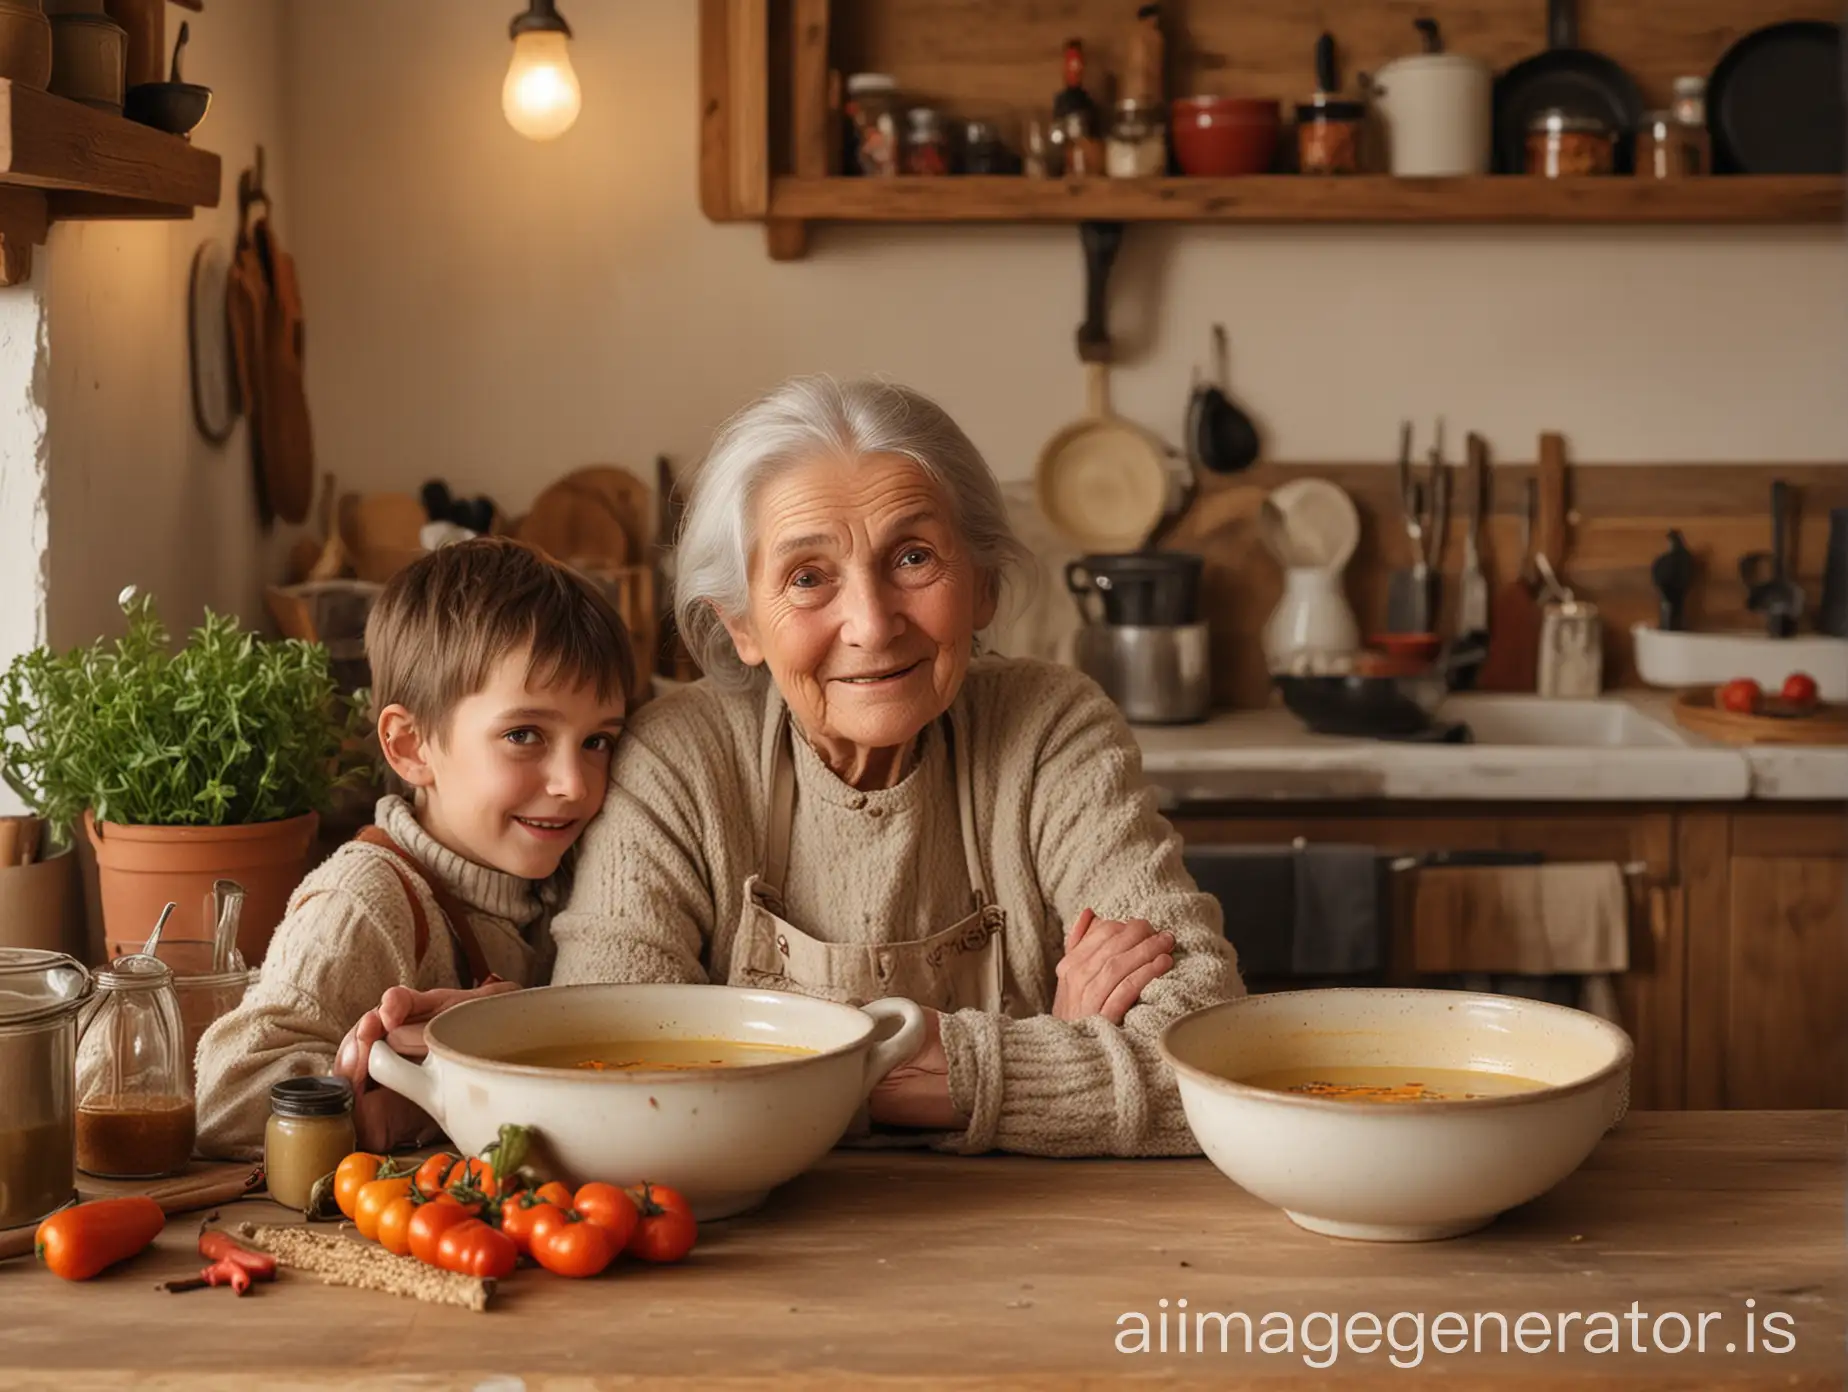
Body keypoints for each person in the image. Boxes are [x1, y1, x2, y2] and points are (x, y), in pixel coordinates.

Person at [547, 376, 1245, 1156]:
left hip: (1045, 1244)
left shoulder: (1051, 728)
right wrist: (1053, 1047)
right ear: (741, 624)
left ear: (980, 585)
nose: (873, 625)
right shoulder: (680, 761)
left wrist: (782, 1078)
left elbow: (1209, 1068)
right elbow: (603, 1071)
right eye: (808, 577)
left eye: (913, 557)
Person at [193, 537, 636, 1156]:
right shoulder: (364, 899)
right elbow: (226, 1097)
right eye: (524, 734)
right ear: (409, 746)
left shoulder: (574, 878)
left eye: (597, 741)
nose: (573, 784)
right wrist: (403, 1095)